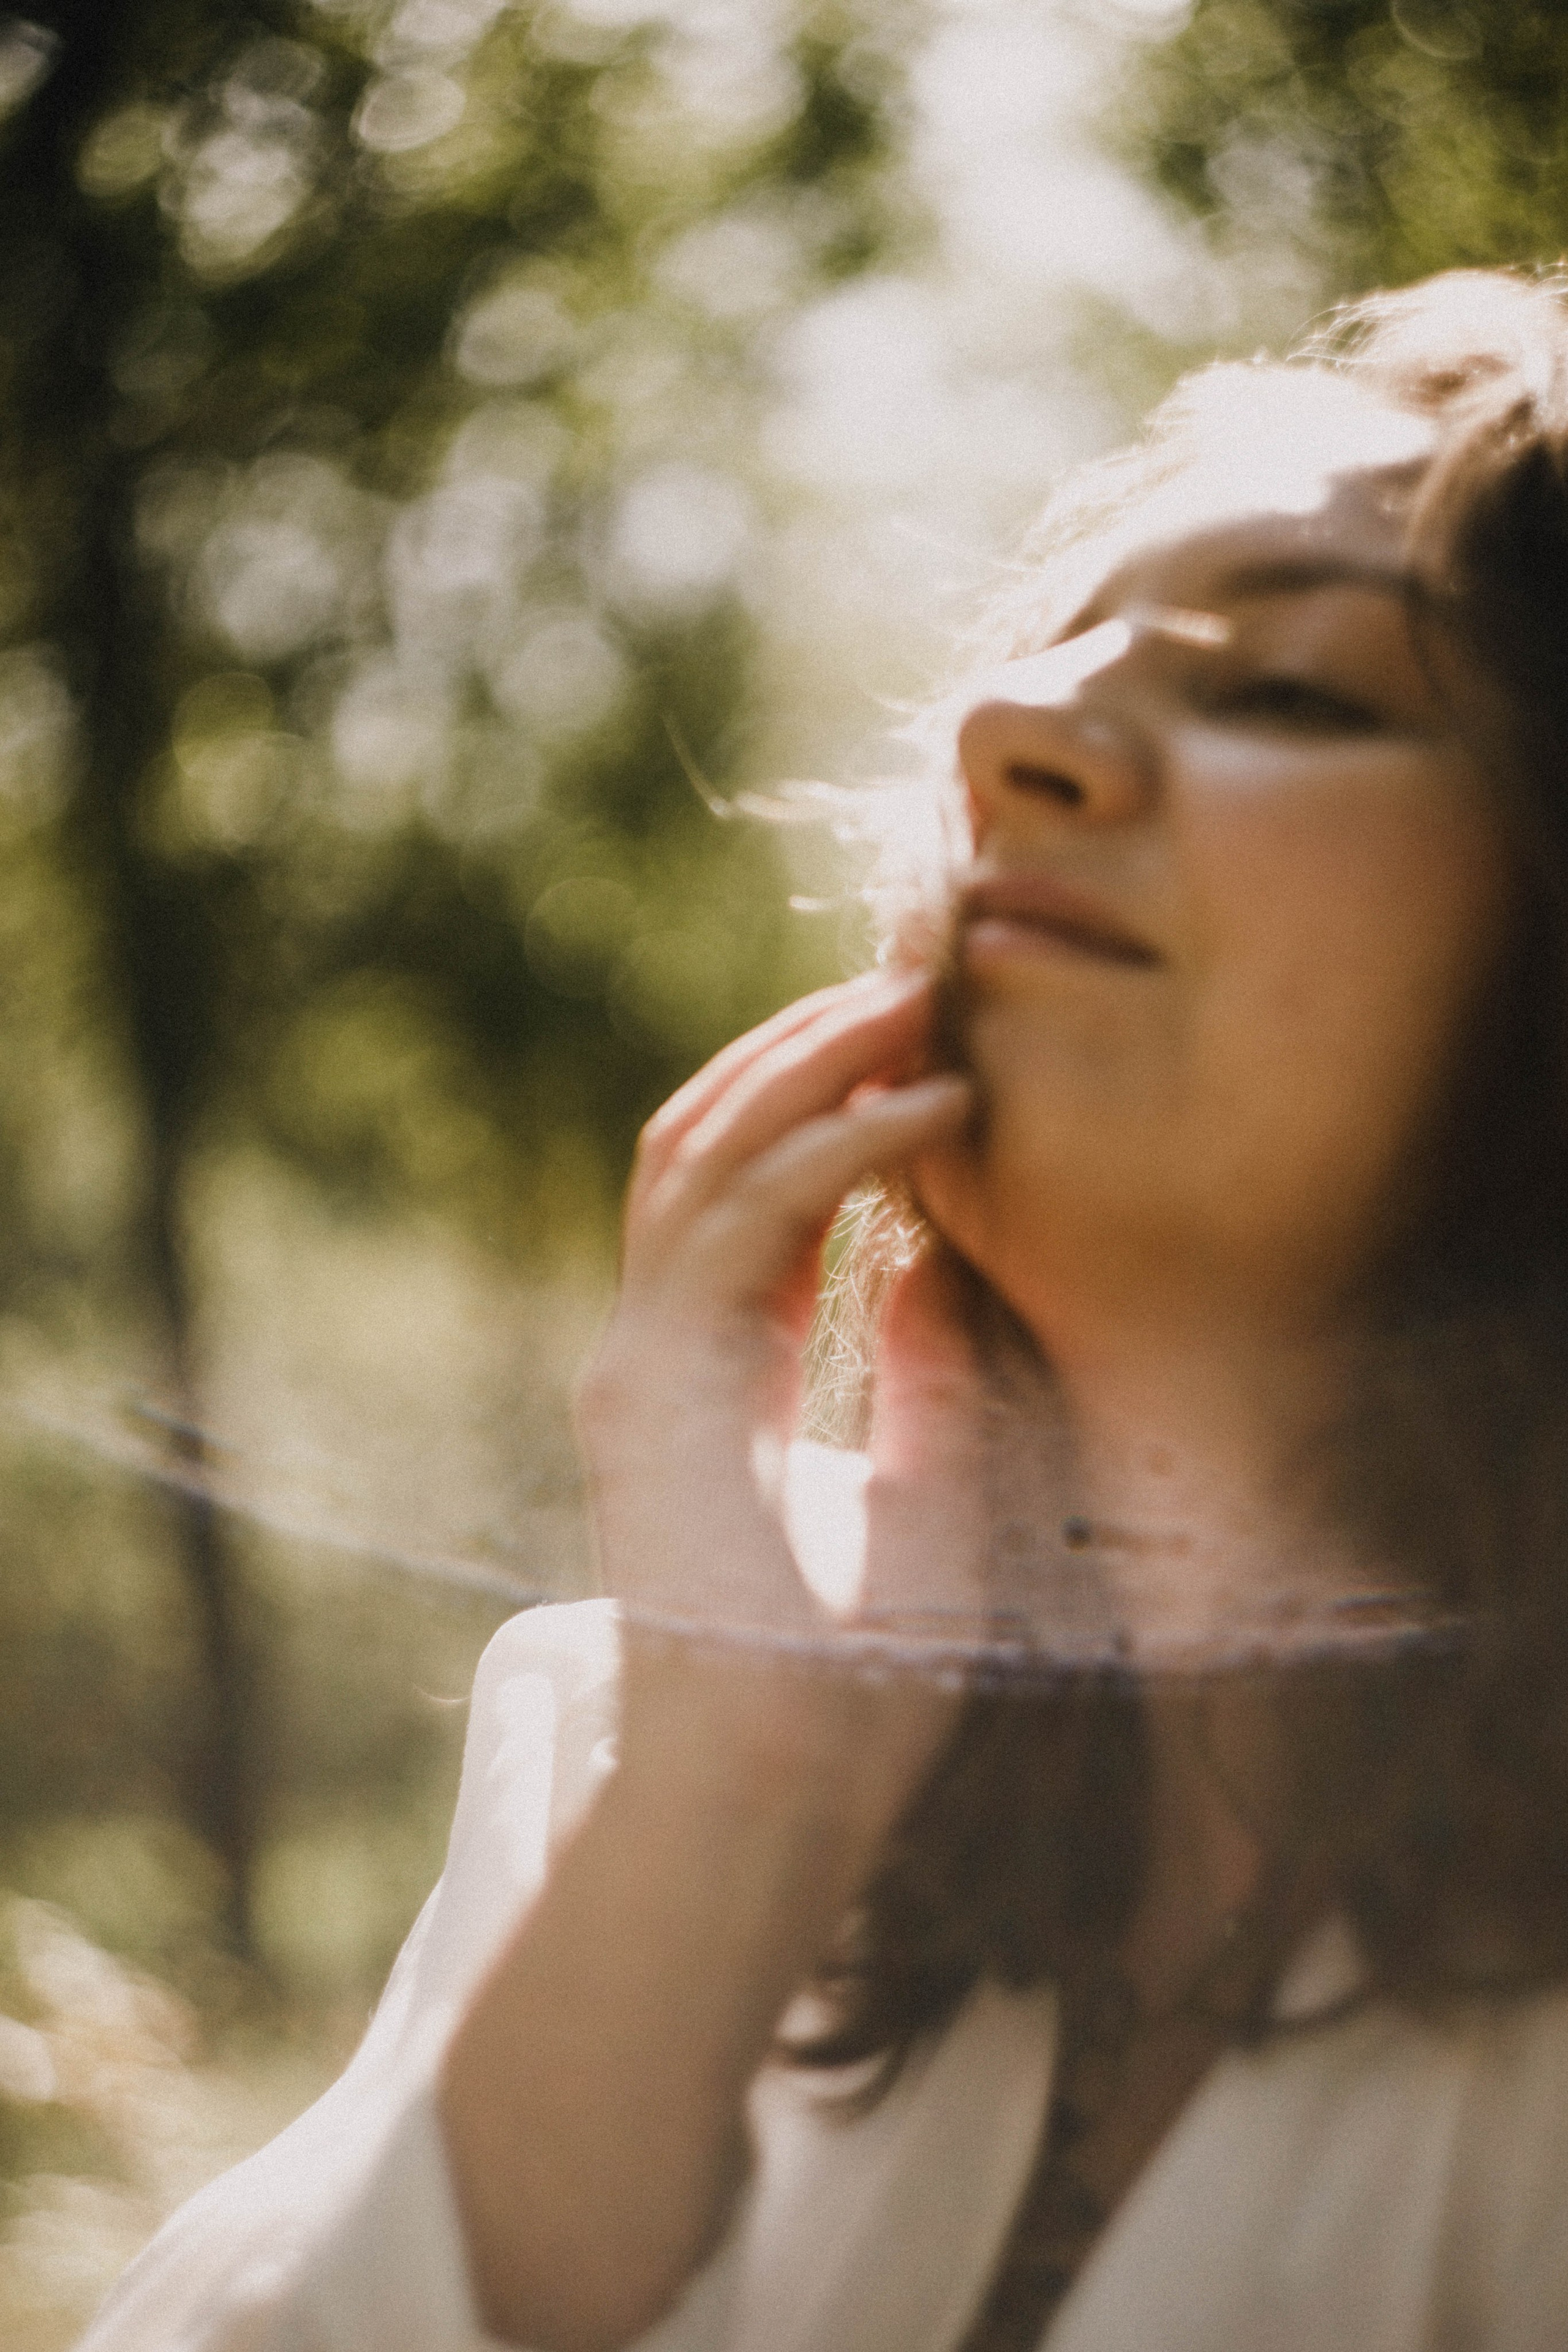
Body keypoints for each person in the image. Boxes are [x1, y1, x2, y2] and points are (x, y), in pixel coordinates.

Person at [79, 265, 1568, 2352]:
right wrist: (733, 1808)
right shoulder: (668, 1750)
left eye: (1289, 689)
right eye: (1041, 662)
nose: (1005, 728)